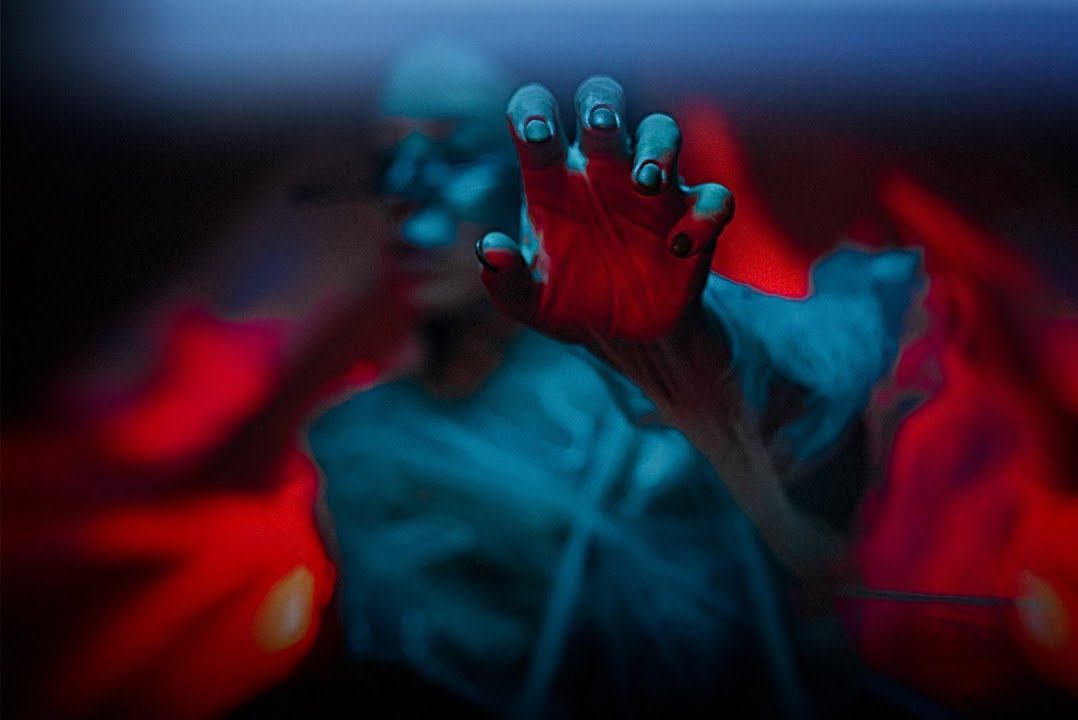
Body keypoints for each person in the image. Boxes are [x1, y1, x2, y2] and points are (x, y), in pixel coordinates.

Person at [306, 42, 920, 717]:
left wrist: (693, 360)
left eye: (456, 151)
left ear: (568, 163)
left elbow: (816, 486)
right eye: (387, 158)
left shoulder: (659, 400)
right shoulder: (359, 451)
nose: (401, 193)